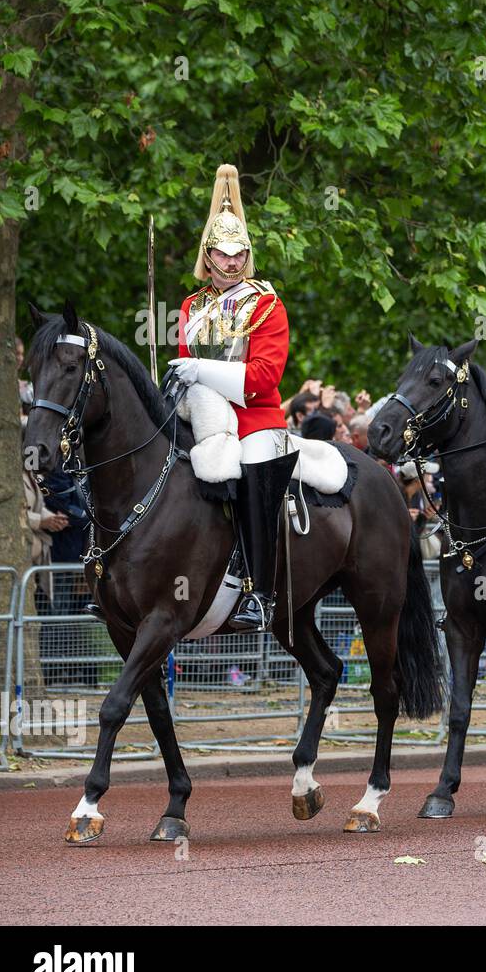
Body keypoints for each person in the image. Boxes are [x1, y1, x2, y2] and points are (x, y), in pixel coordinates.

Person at [166, 163, 297, 631]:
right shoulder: (190, 306)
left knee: (255, 475)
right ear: (208, 255)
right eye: (223, 254)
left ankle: (258, 591)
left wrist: (200, 368)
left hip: (256, 419)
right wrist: (181, 378)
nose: (233, 262)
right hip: (201, 415)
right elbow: (185, 362)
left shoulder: (265, 303)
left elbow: (263, 377)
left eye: (240, 253)